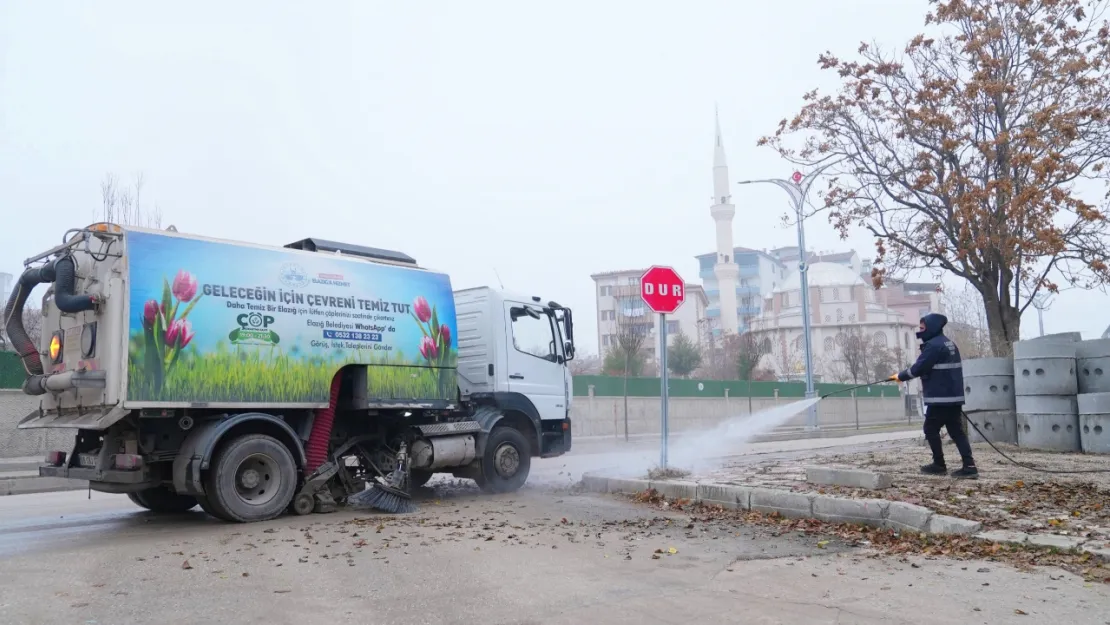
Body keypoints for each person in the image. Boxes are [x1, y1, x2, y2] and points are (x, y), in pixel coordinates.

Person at [888, 313, 978, 479]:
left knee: (930, 429)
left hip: (940, 398)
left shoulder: (934, 346)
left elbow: (918, 368)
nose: (920, 332)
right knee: (956, 431)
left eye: (923, 328)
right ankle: (969, 465)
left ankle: (939, 464)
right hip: (953, 397)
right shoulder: (949, 344)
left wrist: (899, 376)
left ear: (932, 328)